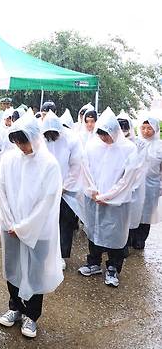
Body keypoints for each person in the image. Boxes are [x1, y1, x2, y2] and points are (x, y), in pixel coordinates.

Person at [0, 115, 64, 339]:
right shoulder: (9, 160)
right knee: (13, 267)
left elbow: (47, 202)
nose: (20, 147)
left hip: (39, 230)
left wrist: (25, 227)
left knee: (35, 271)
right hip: (11, 227)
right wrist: (9, 222)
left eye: (23, 141)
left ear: (35, 138)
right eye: (16, 142)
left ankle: (32, 316)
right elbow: (2, 190)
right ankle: (15, 307)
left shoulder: (49, 164)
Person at [77, 107, 142, 288]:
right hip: (95, 198)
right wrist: (93, 192)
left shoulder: (128, 149)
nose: (104, 138)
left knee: (115, 235)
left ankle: (113, 267)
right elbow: (86, 169)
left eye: (107, 134)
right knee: (94, 230)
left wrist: (108, 195)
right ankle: (94, 262)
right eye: (101, 134)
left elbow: (127, 178)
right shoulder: (92, 145)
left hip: (116, 202)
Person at [42, 112, 83, 269]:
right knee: (46, 221)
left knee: (64, 222)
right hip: (46, 189)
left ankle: (61, 255)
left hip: (66, 190)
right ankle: (46, 253)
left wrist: (65, 186)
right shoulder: (41, 139)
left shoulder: (71, 139)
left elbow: (76, 165)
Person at [129, 116, 162, 249]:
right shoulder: (135, 143)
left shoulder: (159, 145)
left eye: (149, 128)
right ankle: (130, 238)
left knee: (146, 213)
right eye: (143, 128)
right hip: (135, 184)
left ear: (155, 130)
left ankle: (140, 239)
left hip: (152, 184)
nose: (146, 131)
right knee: (133, 210)